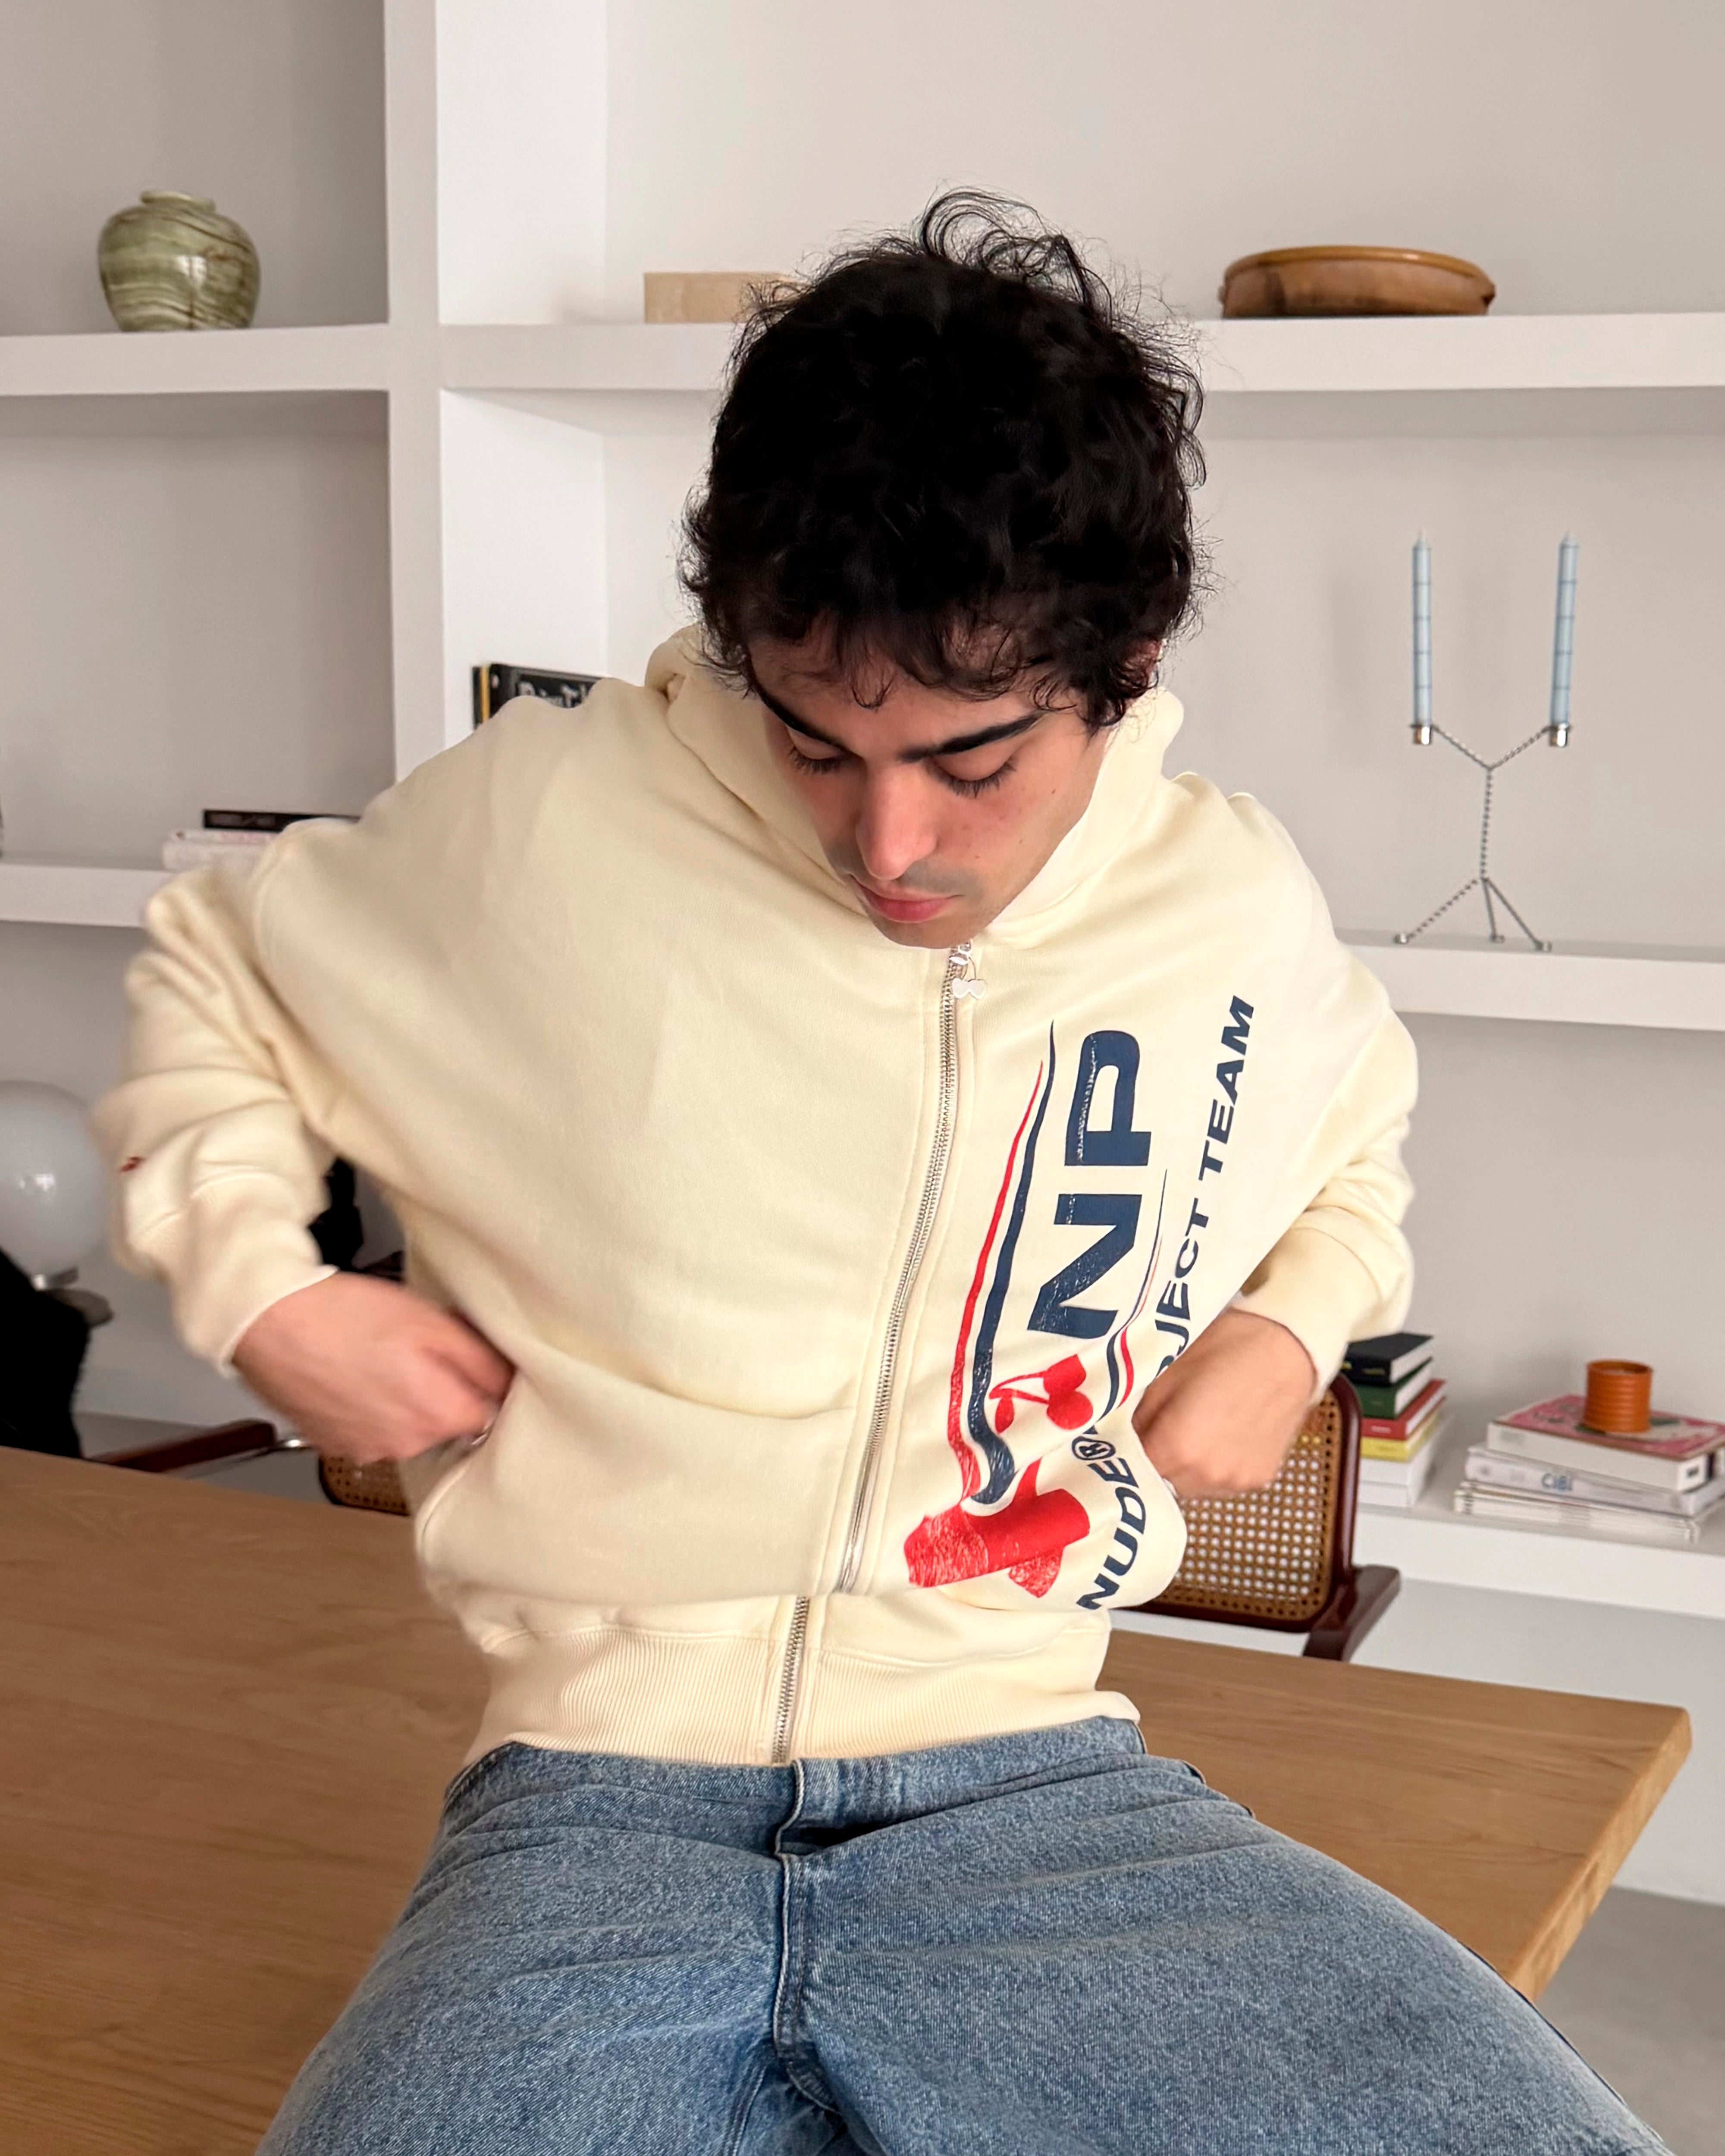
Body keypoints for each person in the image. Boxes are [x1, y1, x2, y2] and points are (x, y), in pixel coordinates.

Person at [95, 196, 1665, 2156]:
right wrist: (261, 1282)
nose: (888, 841)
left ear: (1123, 666)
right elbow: (219, 961)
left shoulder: (1225, 902)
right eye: (818, 744)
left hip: (1034, 1793)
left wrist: (1291, 1325)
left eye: (970, 762)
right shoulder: (545, 820)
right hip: (595, 1802)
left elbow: (1358, 1128)